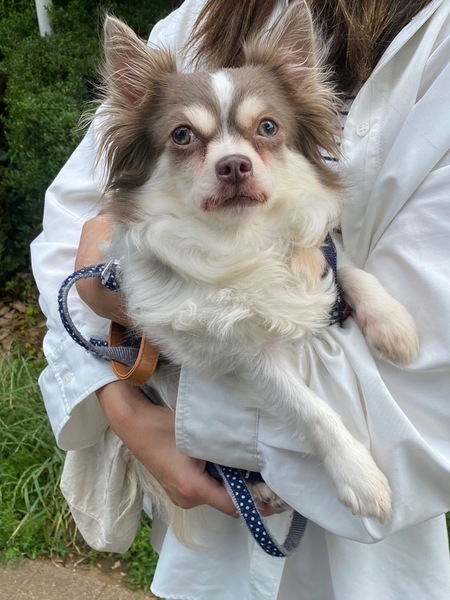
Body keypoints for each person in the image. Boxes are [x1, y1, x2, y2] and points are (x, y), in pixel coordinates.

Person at [30, 0, 450, 598]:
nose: (231, 159)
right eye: (185, 137)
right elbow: (66, 234)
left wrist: (354, 284)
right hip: (205, 539)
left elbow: (426, 379)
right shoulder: (205, 13)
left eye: (265, 130)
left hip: (375, 551)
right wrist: (121, 405)